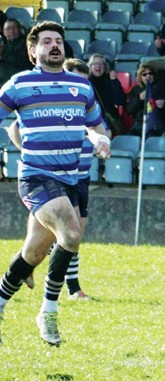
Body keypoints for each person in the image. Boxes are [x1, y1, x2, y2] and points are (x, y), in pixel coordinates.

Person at [0, 21, 110, 347]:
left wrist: (101, 140)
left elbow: (96, 126)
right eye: (46, 41)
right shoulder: (19, 84)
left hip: (69, 180)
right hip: (36, 177)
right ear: (33, 50)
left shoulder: (81, 86)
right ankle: (48, 311)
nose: (54, 45)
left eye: (58, 40)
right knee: (72, 235)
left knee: (33, 253)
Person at [87, 53, 127, 137]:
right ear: (90, 67)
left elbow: (120, 101)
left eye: (101, 64)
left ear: (105, 67)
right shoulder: (87, 82)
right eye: (95, 64)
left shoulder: (110, 81)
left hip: (109, 120)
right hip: (92, 120)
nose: (98, 66)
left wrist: (114, 81)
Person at [126, 64, 165, 137]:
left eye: (150, 73)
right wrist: (139, 98)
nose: (148, 76)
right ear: (140, 78)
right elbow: (129, 110)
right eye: (144, 74)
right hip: (140, 123)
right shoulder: (135, 90)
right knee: (131, 136)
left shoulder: (160, 88)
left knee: (151, 136)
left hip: (156, 123)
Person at [0, 19, 34, 86]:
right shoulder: (4, 43)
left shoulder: (27, 44)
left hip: (20, 82)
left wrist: (2, 54)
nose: (11, 31)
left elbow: (21, 61)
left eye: (14, 28)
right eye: (8, 29)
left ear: (20, 29)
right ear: (3, 32)